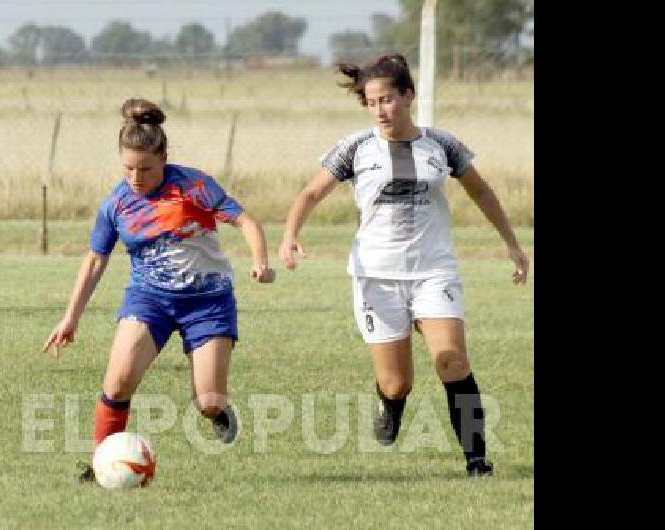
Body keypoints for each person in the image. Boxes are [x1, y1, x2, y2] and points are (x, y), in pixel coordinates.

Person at [278, 54, 528, 477]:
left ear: (408, 96)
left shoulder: (442, 145)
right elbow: (310, 194)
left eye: (388, 99)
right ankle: (389, 404)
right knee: (397, 382)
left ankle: (477, 460)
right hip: (377, 276)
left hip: (434, 270)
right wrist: (290, 236)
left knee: (451, 360)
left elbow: (481, 193)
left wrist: (513, 245)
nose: (380, 110)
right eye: (373, 102)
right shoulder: (356, 147)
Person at [43, 98, 275, 483]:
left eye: (146, 169)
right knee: (116, 382)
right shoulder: (116, 203)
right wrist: (71, 317)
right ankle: (102, 463)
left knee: (207, 401)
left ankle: (217, 413)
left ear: (164, 156)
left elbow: (247, 222)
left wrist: (260, 261)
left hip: (208, 302)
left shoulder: (194, 186)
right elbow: (95, 261)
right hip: (149, 298)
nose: (136, 178)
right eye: (128, 168)